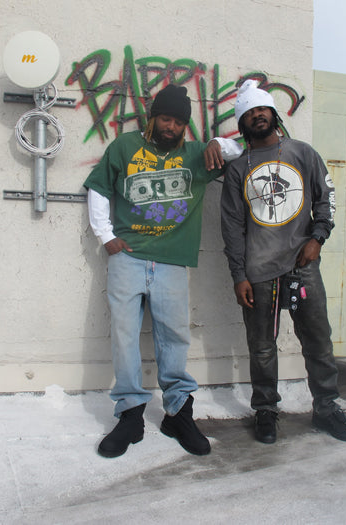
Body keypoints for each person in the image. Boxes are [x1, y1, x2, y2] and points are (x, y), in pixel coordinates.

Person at [84, 84, 242, 458]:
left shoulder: (197, 154)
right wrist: (105, 235)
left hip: (172, 260)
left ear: (186, 126)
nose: (171, 127)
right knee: (124, 335)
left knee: (174, 336)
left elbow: (240, 149)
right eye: (165, 119)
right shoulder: (125, 147)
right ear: (153, 118)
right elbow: (100, 188)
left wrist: (218, 142)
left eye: (178, 122)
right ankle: (130, 416)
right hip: (128, 256)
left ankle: (178, 413)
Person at [220, 79, 346, 444]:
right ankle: (265, 410)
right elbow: (232, 228)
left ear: (274, 114)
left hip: (302, 265)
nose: (257, 115)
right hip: (258, 273)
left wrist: (317, 239)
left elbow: (325, 199)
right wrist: (238, 275)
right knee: (262, 347)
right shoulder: (238, 169)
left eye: (262, 109)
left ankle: (326, 408)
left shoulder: (302, 153)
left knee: (318, 341)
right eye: (249, 112)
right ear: (242, 123)